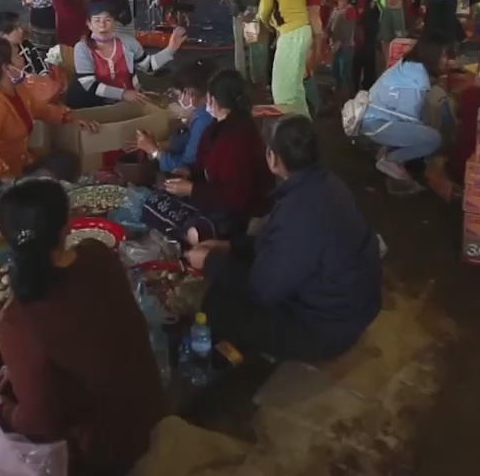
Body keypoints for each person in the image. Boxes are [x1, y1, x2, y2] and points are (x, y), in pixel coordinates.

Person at [0, 180, 164, 474]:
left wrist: (1, 410)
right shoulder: (98, 255)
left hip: (106, 452)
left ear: (1, 234)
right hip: (150, 409)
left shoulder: (15, 321)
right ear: (67, 226)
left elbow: (40, 424)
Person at [188, 115, 381, 362]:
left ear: (273, 159)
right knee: (238, 271)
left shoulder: (300, 211)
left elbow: (261, 290)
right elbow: (276, 244)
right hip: (354, 307)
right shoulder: (327, 183)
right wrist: (229, 247)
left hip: (329, 328)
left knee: (219, 302)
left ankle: (237, 363)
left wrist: (210, 262)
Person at [0, 39, 96, 214]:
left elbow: (40, 109)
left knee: (67, 161)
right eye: (17, 55)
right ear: (6, 68)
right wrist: (4, 176)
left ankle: (30, 188)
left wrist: (69, 117)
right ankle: (30, 191)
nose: (23, 57)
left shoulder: (18, 89)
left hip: (18, 166)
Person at [159, 69, 274, 238]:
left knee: (191, 232)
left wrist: (192, 189)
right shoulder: (218, 125)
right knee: (156, 198)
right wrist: (189, 172)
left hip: (242, 214)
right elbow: (203, 164)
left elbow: (235, 198)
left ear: (212, 99)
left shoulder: (236, 138)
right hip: (215, 198)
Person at [360, 37, 450, 182]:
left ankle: (387, 151)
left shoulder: (410, 67)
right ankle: (390, 159)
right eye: (443, 55)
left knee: (426, 123)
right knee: (433, 139)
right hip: (377, 124)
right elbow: (408, 118)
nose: (446, 60)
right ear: (432, 56)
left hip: (373, 118)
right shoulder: (415, 80)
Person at [73, 1, 186, 105]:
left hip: (131, 99)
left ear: (114, 23)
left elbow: (149, 66)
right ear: (89, 24)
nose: (102, 25)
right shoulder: (82, 48)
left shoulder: (127, 42)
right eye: (97, 20)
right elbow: (89, 84)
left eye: (107, 20)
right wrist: (123, 94)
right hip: (96, 104)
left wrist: (171, 49)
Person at [135, 60, 215, 174]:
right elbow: (186, 142)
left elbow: (187, 166)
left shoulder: (204, 119)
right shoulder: (201, 113)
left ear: (189, 93)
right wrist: (158, 144)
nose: (177, 99)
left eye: (178, 94)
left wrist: (154, 151)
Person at [353, 0, 385, 93]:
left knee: (369, 67)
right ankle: (352, 94)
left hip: (370, 35)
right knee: (353, 66)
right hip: (354, 36)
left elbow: (382, 15)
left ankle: (368, 94)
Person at [328, 0, 360, 102]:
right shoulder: (335, 9)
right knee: (336, 73)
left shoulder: (350, 11)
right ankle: (338, 98)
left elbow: (347, 33)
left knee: (344, 73)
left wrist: (336, 44)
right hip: (336, 47)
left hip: (345, 48)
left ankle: (347, 100)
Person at [0, 11, 49, 76]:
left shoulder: (27, 45)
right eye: (16, 28)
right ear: (2, 35)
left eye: (20, 26)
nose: (21, 30)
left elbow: (41, 69)